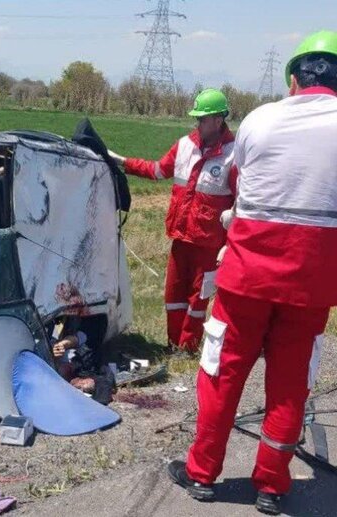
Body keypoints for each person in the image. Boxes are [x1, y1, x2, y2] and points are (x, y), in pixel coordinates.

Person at [167, 31, 337, 516]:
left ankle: (202, 473)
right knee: (289, 385)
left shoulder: (260, 119)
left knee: (222, 373)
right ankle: (271, 486)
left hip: (246, 277)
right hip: (312, 285)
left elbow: (247, 185)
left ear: (292, 79)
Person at [109, 89, 238, 354]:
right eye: (197, 118)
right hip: (181, 237)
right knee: (173, 295)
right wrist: (121, 162)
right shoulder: (184, 145)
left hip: (209, 244)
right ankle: (171, 344)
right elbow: (157, 170)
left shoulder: (233, 154)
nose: (198, 123)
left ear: (218, 119)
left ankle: (188, 348)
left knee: (198, 298)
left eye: (202, 119)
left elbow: (240, 200)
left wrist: (232, 241)